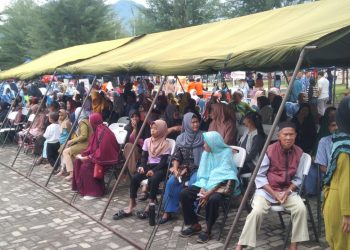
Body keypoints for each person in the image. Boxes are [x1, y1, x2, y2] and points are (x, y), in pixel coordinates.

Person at [236, 122, 309, 250]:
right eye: (285, 134)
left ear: (295, 136)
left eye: (291, 134)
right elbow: (259, 175)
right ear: (278, 135)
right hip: (267, 190)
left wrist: (287, 192)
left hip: (287, 191)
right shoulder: (269, 150)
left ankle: (294, 245)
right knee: (256, 212)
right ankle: (240, 245)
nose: (288, 138)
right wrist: (274, 193)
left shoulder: (299, 153)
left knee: (301, 209)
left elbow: (298, 178)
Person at [179, 131, 240, 243]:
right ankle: (195, 224)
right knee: (185, 193)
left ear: (213, 143)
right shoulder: (206, 153)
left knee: (213, 199)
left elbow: (223, 176)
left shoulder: (226, 152)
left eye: (206, 143)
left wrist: (209, 192)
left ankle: (208, 229)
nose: (204, 145)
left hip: (220, 185)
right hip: (206, 184)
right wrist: (203, 186)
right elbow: (202, 174)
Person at [113, 120, 171, 220]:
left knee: (154, 179)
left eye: (155, 128)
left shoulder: (166, 144)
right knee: (135, 178)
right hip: (149, 165)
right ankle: (132, 203)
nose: (152, 130)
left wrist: (154, 170)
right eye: (151, 128)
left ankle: (150, 204)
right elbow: (144, 157)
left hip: (160, 168)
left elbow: (163, 162)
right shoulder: (147, 141)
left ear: (161, 130)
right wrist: (143, 167)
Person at [160, 112, 204, 224]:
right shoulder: (180, 138)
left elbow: (205, 159)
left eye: (197, 122)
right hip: (182, 167)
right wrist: (175, 169)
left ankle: (192, 212)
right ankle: (168, 212)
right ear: (186, 124)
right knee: (171, 182)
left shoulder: (203, 137)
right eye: (192, 122)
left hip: (198, 168)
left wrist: (187, 169)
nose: (195, 125)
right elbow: (177, 156)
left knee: (194, 182)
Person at [323, 96, 350, 249]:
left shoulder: (341, 140)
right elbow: (346, 182)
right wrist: (347, 214)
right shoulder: (346, 148)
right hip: (342, 205)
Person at [73, 113, 119, 200]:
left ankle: (93, 192)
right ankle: (81, 187)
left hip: (105, 159)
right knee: (77, 161)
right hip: (96, 156)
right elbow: (92, 147)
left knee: (86, 167)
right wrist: (84, 155)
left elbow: (104, 150)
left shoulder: (104, 132)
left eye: (91, 122)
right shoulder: (97, 130)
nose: (90, 124)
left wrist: (89, 157)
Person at [62, 107, 92, 181]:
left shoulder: (83, 122)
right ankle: (74, 171)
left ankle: (71, 174)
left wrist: (72, 141)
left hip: (85, 144)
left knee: (65, 151)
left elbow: (84, 136)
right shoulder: (85, 120)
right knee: (69, 152)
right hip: (85, 143)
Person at [123, 110, 148, 175]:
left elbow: (146, 140)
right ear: (130, 118)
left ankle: (132, 172)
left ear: (139, 117)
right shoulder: (128, 127)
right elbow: (128, 141)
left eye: (136, 116)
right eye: (132, 117)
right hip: (130, 150)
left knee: (129, 146)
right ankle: (133, 172)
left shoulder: (144, 126)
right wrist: (134, 129)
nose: (134, 118)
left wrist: (137, 141)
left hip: (141, 151)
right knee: (128, 146)